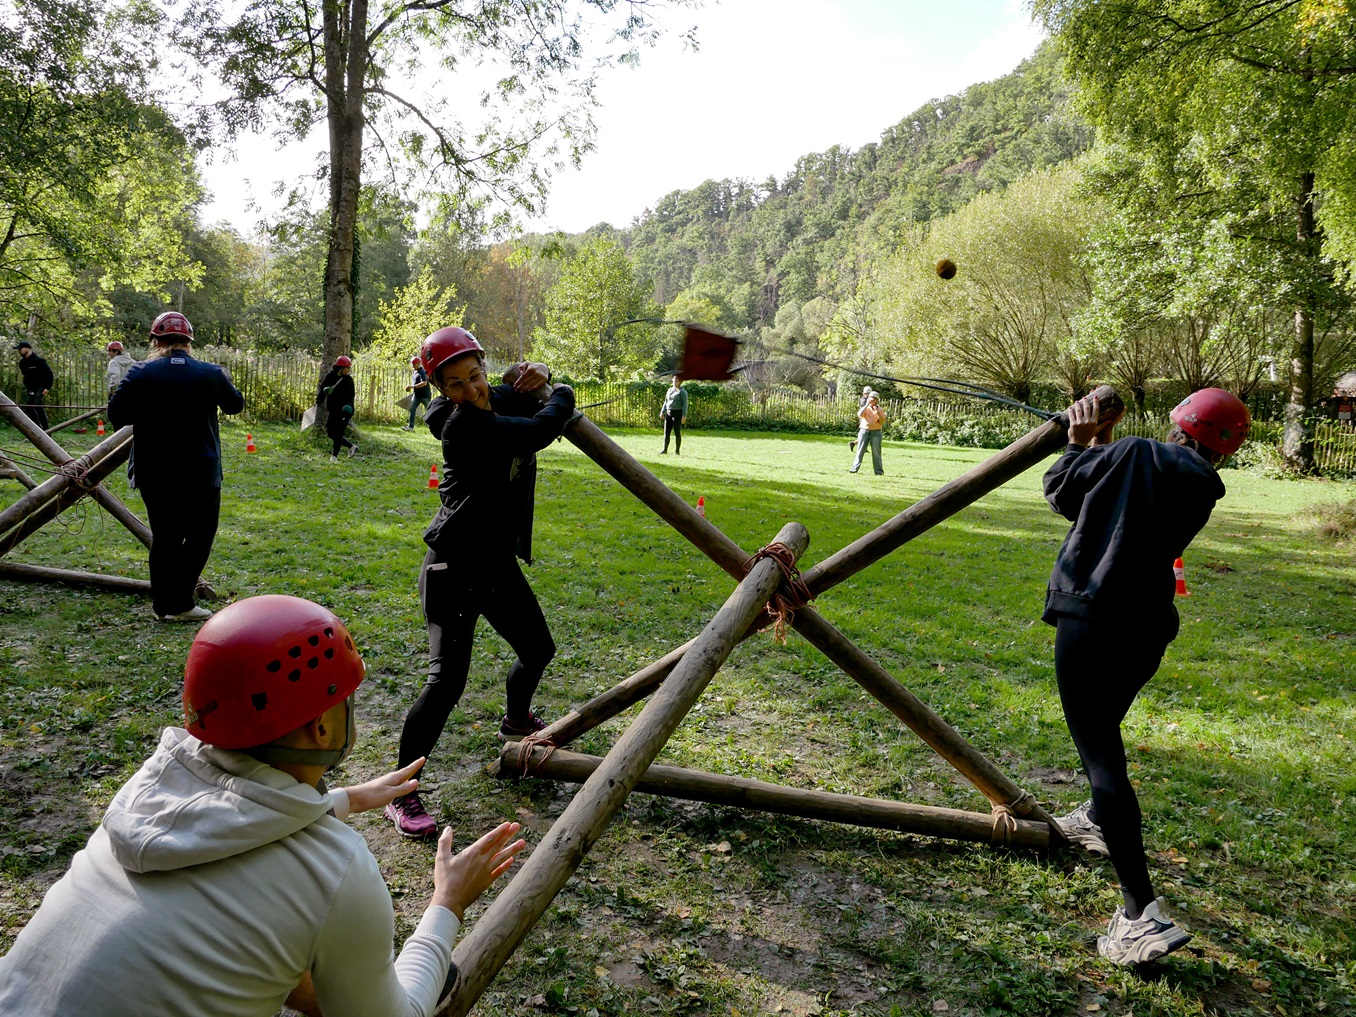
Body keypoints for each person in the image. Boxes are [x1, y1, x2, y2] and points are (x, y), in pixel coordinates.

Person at [0, 594, 526, 1017]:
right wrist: (446, 906)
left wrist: (343, 800)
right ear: (322, 728)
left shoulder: (148, 793)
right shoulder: (335, 871)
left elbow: (224, 825)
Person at [1043, 387, 1250, 965]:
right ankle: (1095, 820)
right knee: (1104, 735)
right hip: (1146, 630)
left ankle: (1140, 915)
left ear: (1178, 423)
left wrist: (1077, 443)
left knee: (1101, 757)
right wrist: (1102, 446)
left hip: (1092, 619)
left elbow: (1064, 493)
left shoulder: (1134, 450)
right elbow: (1117, 493)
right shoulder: (1202, 484)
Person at [386, 326, 575, 838]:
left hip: (493, 563)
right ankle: (400, 794)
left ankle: (517, 722)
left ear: (484, 368)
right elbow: (540, 429)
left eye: (476, 376)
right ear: (441, 389)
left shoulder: (494, 398)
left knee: (537, 648)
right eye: (456, 384)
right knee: (446, 684)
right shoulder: (464, 425)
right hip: (452, 568)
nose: (471, 390)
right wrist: (563, 392)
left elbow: (523, 393)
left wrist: (541, 374)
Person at [108, 311, 244, 623]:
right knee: (200, 536)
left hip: (155, 469)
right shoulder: (210, 373)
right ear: (188, 342)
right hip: (201, 469)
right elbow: (235, 405)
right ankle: (179, 602)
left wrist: (149, 408)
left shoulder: (141, 372)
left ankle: (165, 604)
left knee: (165, 537)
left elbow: (117, 414)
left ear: (155, 342)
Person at [317, 355, 357, 462]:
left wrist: (348, 408)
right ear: (340, 368)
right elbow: (323, 390)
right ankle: (351, 446)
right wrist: (319, 401)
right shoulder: (330, 377)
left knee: (339, 432)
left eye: (349, 368)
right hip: (333, 409)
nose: (348, 370)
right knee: (330, 432)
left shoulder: (348, 380)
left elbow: (351, 396)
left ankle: (334, 456)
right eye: (346, 368)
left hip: (345, 410)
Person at [14, 340, 53, 430]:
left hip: (40, 388)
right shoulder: (22, 363)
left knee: (29, 407)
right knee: (39, 409)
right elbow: (26, 375)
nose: (19, 351)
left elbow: (49, 374)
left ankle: (37, 429)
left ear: (27, 349)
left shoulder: (39, 361)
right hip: (30, 388)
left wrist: (47, 387)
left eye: (20, 349)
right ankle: (46, 431)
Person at [849, 392, 886, 475]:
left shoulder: (880, 409)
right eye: (871, 398)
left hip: (876, 432)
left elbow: (882, 421)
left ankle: (879, 471)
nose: (872, 400)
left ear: (877, 400)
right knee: (860, 451)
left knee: (876, 453)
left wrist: (878, 413)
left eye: (874, 398)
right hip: (864, 431)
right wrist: (866, 405)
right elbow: (859, 414)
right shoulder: (865, 408)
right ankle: (854, 469)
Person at [659, 376, 688, 455]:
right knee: (666, 432)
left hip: (677, 413)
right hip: (669, 413)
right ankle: (665, 449)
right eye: (674, 380)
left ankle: (677, 451)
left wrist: (684, 415)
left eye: (677, 381)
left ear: (680, 382)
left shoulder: (682, 392)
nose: (674, 382)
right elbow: (666, 401)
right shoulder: (669, 390)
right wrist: (662, 412)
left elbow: (685, 405)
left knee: (677, 432)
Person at [403, 355, 432, 430]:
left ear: (418, 364)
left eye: (413, 365)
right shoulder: (415, 372)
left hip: (424, 396)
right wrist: (410, 388)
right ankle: (411, 427)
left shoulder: (422, 372)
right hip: (417, 395)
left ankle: (434, 427)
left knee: (430, 410)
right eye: (412, 365)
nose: (412, 366)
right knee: (412, 409)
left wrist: (412, 386)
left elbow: (424, 383)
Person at [850, 386, 874, 453]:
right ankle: (856, 444)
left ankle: (856, 444)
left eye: (868, 393)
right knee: (865, 434)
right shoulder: (864, 400)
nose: (867, 395)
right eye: (866, 393)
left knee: (867, 434)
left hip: (867, 418)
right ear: (864, 394)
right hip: (864, 419)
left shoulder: (867, 400)